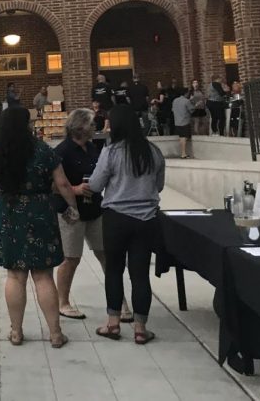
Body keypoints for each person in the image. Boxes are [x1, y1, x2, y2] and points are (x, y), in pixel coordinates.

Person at [0, 106, 78, 348]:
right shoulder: (42, 150)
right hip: (39, 213)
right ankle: (55, 333)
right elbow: (62, 183)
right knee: (43, 276)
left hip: (8, 213)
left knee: (15, 275)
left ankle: (16, 332)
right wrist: (72, 207)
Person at [89, 104, 164, 345]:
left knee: (114, 270)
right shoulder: (153, 151)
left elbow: (95, 184)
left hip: (116, 217)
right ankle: (141, 328)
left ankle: (113, 323)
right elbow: (159, 185)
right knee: (140, 274)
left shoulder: (111, 151)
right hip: (146, 218)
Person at [53, 109, 130, 322]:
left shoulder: (95, 148)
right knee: (71, 258)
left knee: (106, 255)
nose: (95, 127)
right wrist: (74, 189)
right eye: (90, 124)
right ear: (79, 127)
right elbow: (51, 184)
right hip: (71, 211)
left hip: (95, 209)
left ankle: (119, 302)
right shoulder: (62, 152)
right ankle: (63, 303)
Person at [172, 88, 194, 159]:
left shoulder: (175, 100)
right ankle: (183, 153)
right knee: (184, 138)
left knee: (181, 137)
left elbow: (172, 110)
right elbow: (192, 110)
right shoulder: (186, 101)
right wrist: (195, 104)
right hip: (184, 122)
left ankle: (183, 153)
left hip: (177, 122)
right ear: (185, 93)